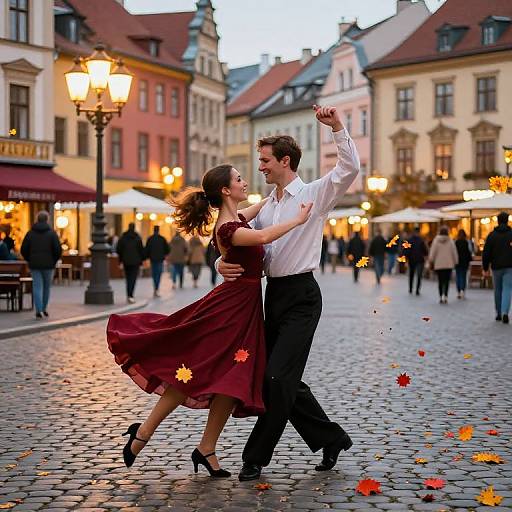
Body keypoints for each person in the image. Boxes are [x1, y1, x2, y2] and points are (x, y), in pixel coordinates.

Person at [107, 164, 311, 476]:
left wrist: (280, 191)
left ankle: (206, 449)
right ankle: (143, 432)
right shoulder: (230, 228)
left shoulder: (237, 218)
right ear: (226, 191)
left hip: (244, 311)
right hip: (229, 313)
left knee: (232, 379)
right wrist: (298, 219)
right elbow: (266, 234)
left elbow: (264, 206)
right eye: (239, 179)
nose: (245, 182)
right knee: (191, 371)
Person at [218, 105, 359, 481]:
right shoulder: (268, 206)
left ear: (285, 160)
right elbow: (230, 233)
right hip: (272, 296)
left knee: (277, 378)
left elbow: (349, 170)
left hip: (302, 296)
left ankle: (255, 457)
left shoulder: (314, 194)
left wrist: (337, 128)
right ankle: (332, 438)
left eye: (265, 160)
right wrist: (219, 262)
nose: (260, 167)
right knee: (278, 376)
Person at [20, 211, 62, 319]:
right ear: (47, 220)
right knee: (46, 287)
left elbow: (23, 249)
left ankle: (38, 310)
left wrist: (29, 259)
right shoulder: (52, 234)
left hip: (35, 264)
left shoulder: (30, 233)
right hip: (49, 265)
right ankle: (44, 308)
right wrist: (54, 260)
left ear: (37, 219)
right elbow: (58, 250)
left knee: (37, 286)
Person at [482, 211, 512, 324]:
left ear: (498, 221)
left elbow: (486, 253)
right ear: (507, 220)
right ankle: (505, 312)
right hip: (510, 267)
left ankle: (498, 313)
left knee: (498, 290)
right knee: (508, 289)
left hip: (496, 267)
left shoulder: (492, 235)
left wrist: (485, 267)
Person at [428, 226, 458, 304]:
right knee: (447, 281)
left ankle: (441, 296)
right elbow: (454, 252)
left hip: (439, 264)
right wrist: (456, 261)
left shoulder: (436, 241)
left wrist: (431, 260)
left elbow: (432, 252)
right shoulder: (450, 241)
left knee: (440, 281)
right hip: (448, 264)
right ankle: (446, 296)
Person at [116, 223, 144, 304]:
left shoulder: (123, 237)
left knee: (128, 278)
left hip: (126, 261)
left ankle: (128, 294)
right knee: (133, 278)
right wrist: (141, 260)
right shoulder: (137, 238)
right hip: (135, 262)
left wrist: (121, 260)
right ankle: (131, 295)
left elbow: (118, 249)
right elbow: (141, 250)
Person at [145, 225, 170, 297]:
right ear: (158, 230)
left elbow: (147, 249)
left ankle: (155, 288)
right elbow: (167, 249)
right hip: (160, 259)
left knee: (154, 273)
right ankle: (156, 288)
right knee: (158, 274)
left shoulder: (150, 239)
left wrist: (147, 257)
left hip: (152, 259)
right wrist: (164, 255)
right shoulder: (162, 239)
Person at [403, 227, 428, 295]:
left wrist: (406, 257)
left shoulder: (409, 240)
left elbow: (406, 250)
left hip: (412, 259)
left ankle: (411, 288)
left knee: (411, 274)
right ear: (419, 232)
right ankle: (417, 290)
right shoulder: (421, 240)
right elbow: (425, 251)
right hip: (420, 260)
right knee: (419, 275)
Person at [454, 229, 472, 299]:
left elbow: (454, 252)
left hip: (457, 262)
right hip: (465, 262)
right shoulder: (467, 242)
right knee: (463, 276)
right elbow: (470, 251)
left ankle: (458, 291)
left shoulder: (456, 242)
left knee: (458, 276)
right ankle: (462, 290)